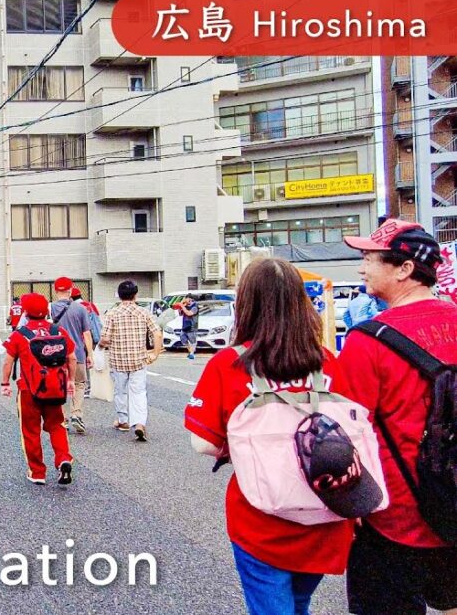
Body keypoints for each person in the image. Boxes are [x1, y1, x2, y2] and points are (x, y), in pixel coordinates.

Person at [185, 258, 357, 615]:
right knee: (297, 602)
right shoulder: (326, 361)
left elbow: (202, 443)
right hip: (326, 512)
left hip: (261, 518)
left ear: (245, 303)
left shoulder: (231, 363)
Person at [336, 219, 457, 615]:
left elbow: (344, 436)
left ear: (404, 269)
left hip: (394, 517)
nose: (361, 267)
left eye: (370, 258)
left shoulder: (367, 340)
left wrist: (348, 504)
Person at [0, 292, 74, 486]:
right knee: (57, 425)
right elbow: (72, 357)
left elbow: (8, 361)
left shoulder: (20, 335)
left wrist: (5, 383)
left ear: (25, 311)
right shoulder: (58, 331)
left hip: (28, 389)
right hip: (55, 388)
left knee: (30, 431)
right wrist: (71, 380)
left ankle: (37, 471)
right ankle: (63, 458)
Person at [99, 280, 163, 442]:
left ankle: (123, 421)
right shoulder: (143, 312)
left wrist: (100, 347)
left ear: (119, 296)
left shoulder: (112, 314)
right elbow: (157, 334)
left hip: (118, 360)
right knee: (139, 392)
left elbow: (105, 339)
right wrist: (155, 354)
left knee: (120, 391)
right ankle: (139, 423)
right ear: (135, 295)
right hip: (138, 360)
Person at [49, 277, 93, 435]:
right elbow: (86, 334)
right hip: (78, 353)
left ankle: (63, 419)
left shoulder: (50, 308)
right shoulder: (81, 309)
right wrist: (90, 355)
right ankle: (77, 414)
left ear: (55, 291)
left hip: (55, 353)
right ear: (70, 290)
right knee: (80, 384)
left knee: (59, 386)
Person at [178, 294, 200, 360]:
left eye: (186, 298)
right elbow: (180, 313)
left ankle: (192, 354)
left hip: (192, 327)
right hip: (184, 326)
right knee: (183, 338)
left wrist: (182, 306)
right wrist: (181, 306)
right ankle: (191, 352)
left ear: (190, 299)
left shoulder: (195, 307)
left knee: (192, 341)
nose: (185, 300)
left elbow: (189, 313)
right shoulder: (186, 306)